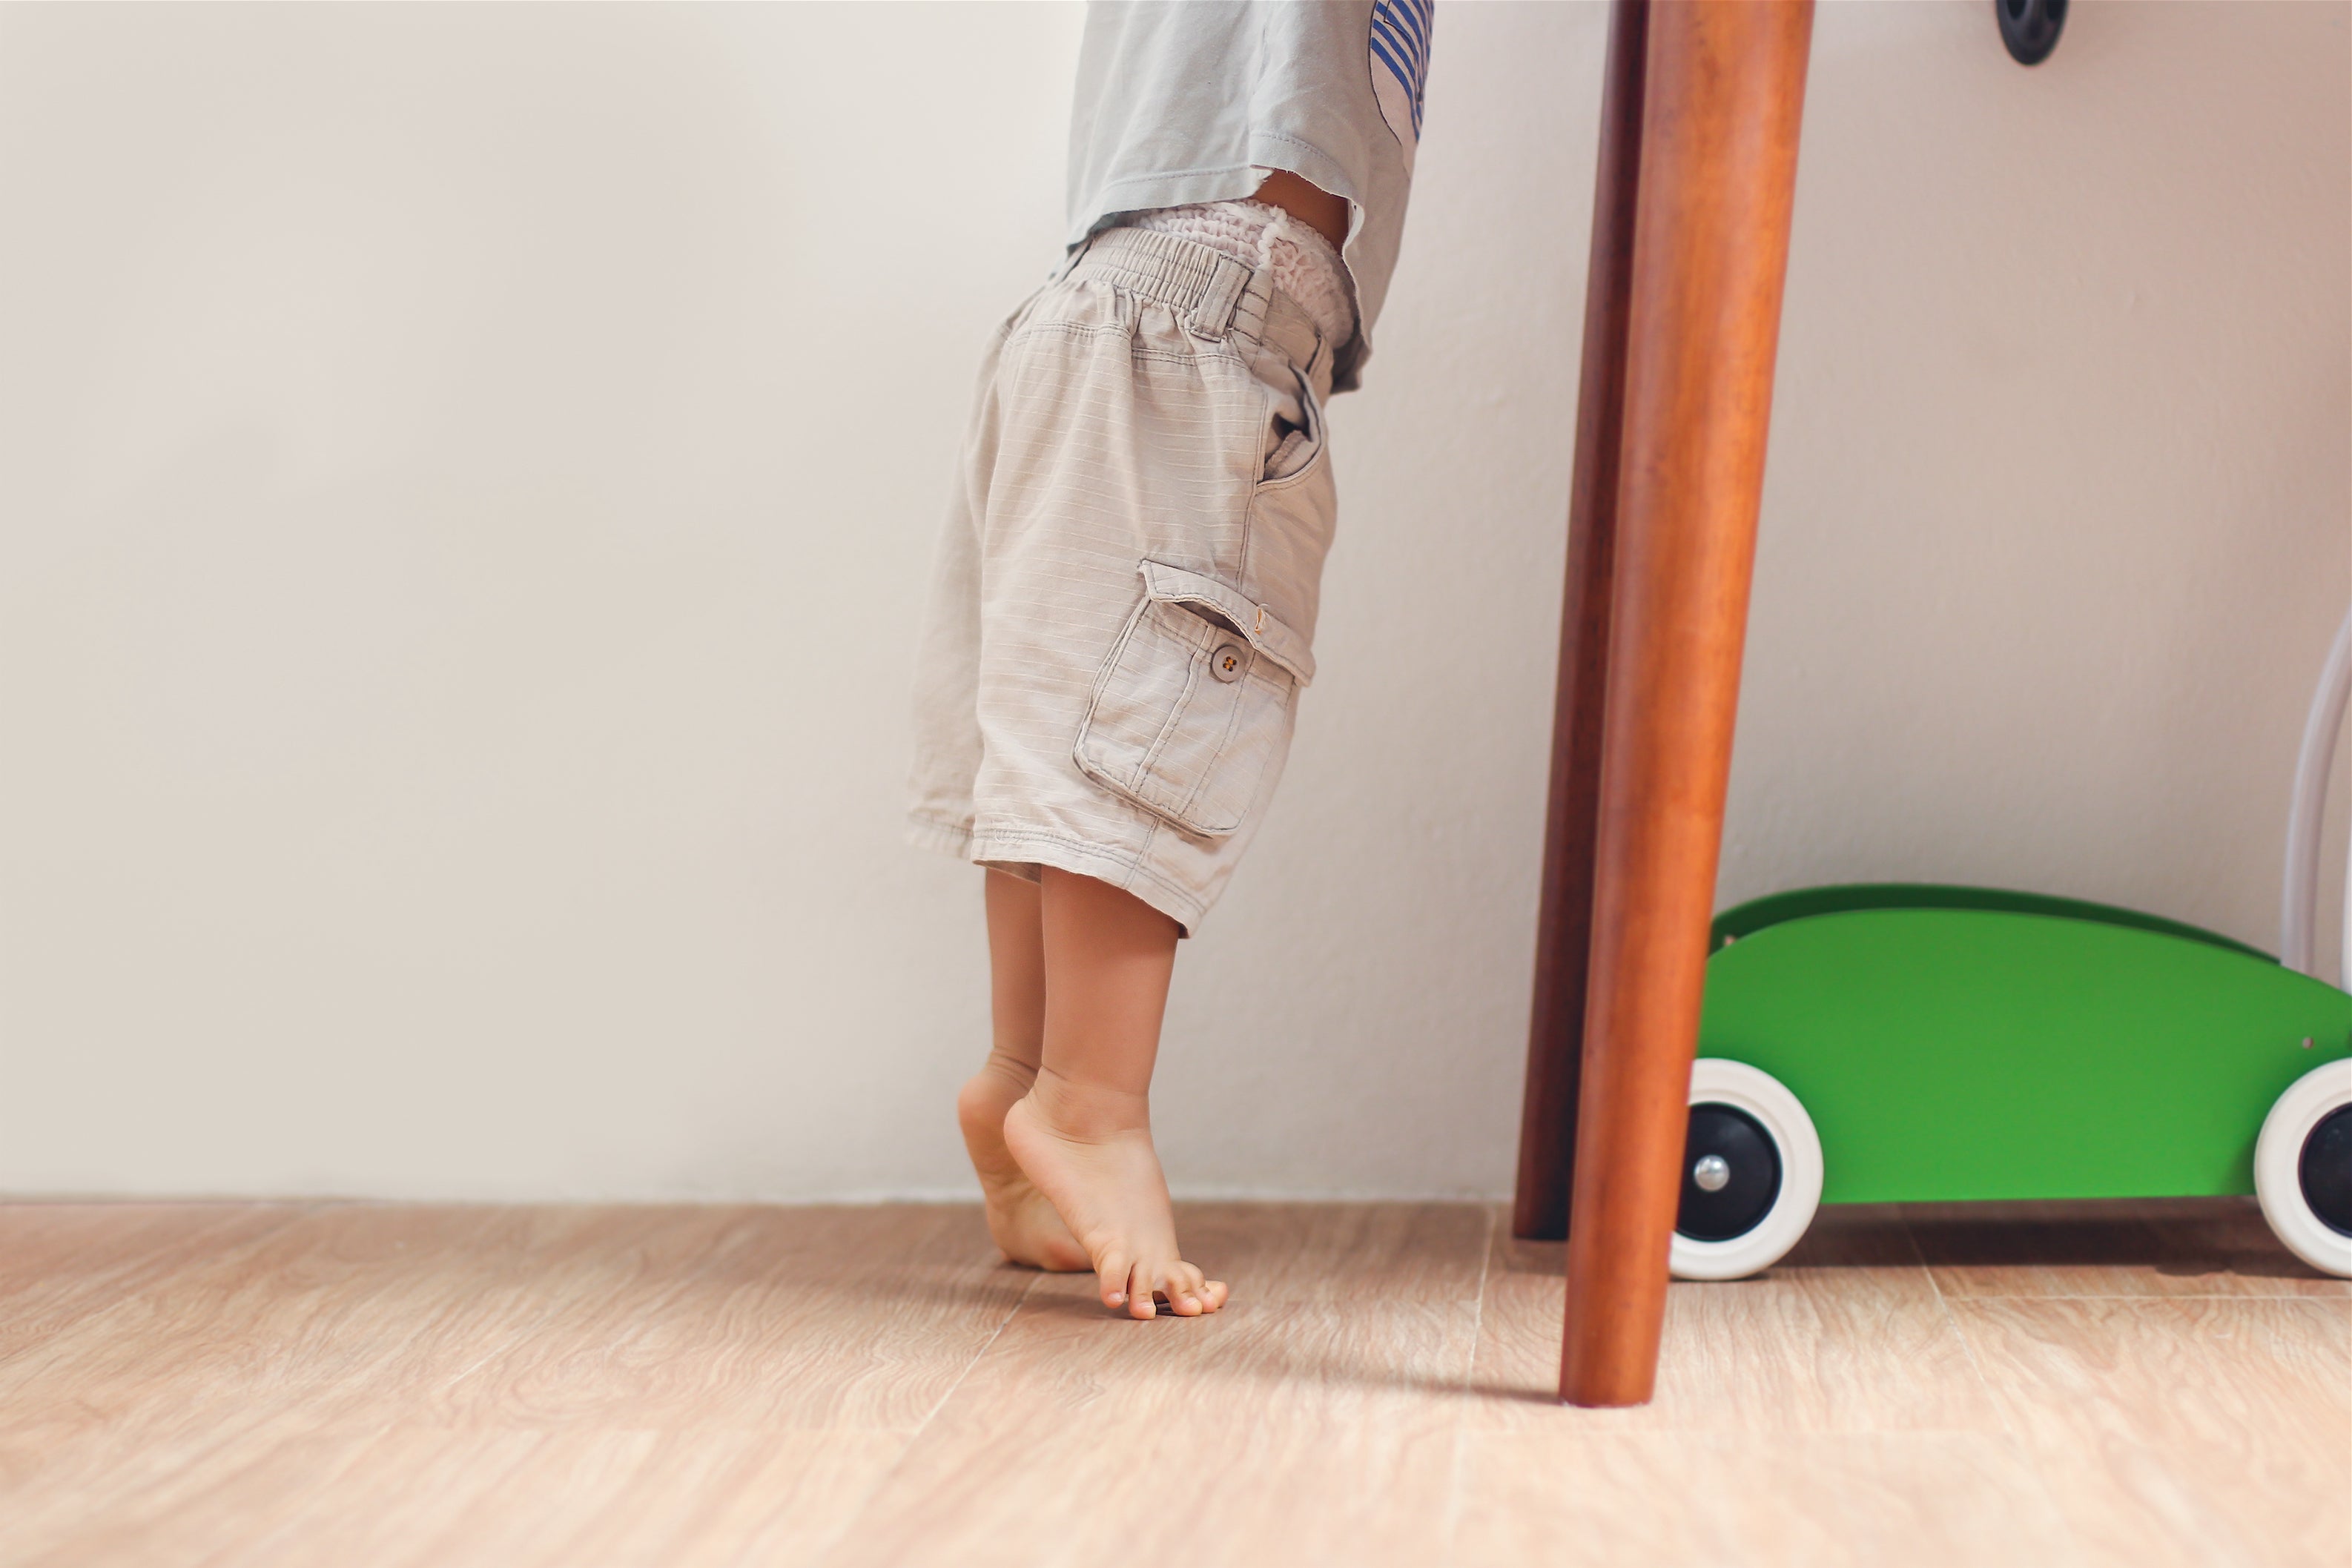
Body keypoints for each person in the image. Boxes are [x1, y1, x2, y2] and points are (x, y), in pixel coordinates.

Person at [906, 0, 1433, 1319]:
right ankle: (1089, 1107)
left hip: (1105, 297)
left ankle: (1025, 1072)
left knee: (1064, 703)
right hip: (1209, 298)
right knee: (1132, 725)